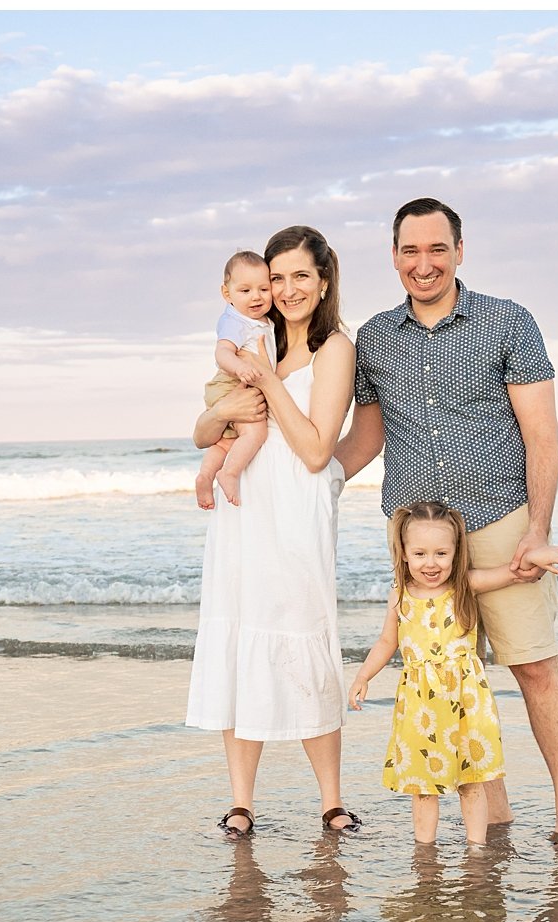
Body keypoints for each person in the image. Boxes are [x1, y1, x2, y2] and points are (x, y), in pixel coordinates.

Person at [335, 197, 558, 847]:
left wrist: (537, 530)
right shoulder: (375, 339)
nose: (424, 264)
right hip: (418, 538)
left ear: (460, 250)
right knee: (445, 673)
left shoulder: (509, 323)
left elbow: (543, 438)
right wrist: (304, 484)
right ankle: (494, 811)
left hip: (501, 515)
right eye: (411, 251)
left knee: (534, 665)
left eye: (437, 248)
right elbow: (364, 439)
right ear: (394, 256)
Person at [186, 225, 361, 837]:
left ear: (324, 280)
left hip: (296, 510)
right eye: (277, 277)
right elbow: (205, 433)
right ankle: (241, 802)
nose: (286, 289)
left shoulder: (335, 348)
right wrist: (221, 410)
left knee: (303, 634)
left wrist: (265, 382)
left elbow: (315, 449)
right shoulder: (251, 339)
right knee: (241, 641)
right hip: (242, 509)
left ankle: (331, 800)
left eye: (299, 277)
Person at [348, 501, 558, 846]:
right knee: (423, 787)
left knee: (472, 780)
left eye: (441, 553)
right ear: (404, 554)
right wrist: (363, 677)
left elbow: (511, 573)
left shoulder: (464, 586)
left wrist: (538, 555)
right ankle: (425, 851)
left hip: (466, 700)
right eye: (420, 553)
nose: (431, 563)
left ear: (455, 553)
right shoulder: (400, 595)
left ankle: (476, 847)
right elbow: (387, 641)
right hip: (421, 706)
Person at [195, 251, 276, 509]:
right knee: (255, 432)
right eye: (245, 290)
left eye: (264, 288)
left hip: (234, 384)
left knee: (226, 441)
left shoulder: (259, 320)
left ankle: (205, 476)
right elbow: (222, 353)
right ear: (227, 294)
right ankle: (228, 474)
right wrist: (240, 368)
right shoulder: (235, 321)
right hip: (231, 382)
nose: (256, 296)